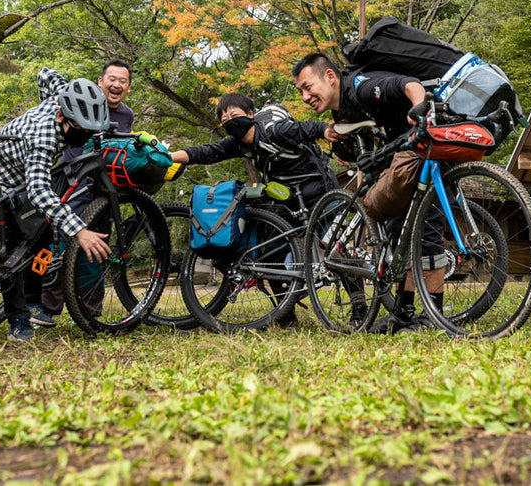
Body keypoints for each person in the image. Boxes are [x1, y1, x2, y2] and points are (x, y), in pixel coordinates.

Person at [292, 52, 444, 332]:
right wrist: (342, 146)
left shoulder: (361, 86)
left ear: (329, 76)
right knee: (403, 234)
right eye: (301, 91)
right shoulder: (341, 110)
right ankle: (404, 313)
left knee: (426, 231)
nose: (305, 97)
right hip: (399, 162)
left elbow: (407, 84)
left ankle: (436, 314)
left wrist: (420, 106)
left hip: (421, 147)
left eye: (307, 86)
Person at [0, 69, 114, 341]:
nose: (84, 136)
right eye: (80, 130)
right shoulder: (45, 139)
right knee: (13, 253)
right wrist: (80, 231)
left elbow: (45, 73)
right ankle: (19, 321)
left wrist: (42, 101)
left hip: (24, 178)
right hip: (3, 182)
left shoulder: (63, 97)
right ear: (61, 116)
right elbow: (38, 191)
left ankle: (34, 301)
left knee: (44, 234)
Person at [28, 59, 135, 326]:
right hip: (71, 181)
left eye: (123, 81)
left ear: (128, 87)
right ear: (100, 82)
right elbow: (45, 73)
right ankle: (47, 308)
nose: (116, 84)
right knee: (58, 243)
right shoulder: (79, 98)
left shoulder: (126, 115)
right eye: (112, 78)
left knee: (95, 248)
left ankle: (89, 311)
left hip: (102, 189)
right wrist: (48, 109)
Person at [169, 93, 332, 214]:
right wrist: (169, 157)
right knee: (273, 249)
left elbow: (313, 128)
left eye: (234, 116)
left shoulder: (275, 130)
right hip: (285, 197)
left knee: (333, 243)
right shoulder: (236, 144)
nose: (230, 122)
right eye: (225, 120)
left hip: (317, 187)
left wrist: (328, 132)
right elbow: (208, 152)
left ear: (250, 114)